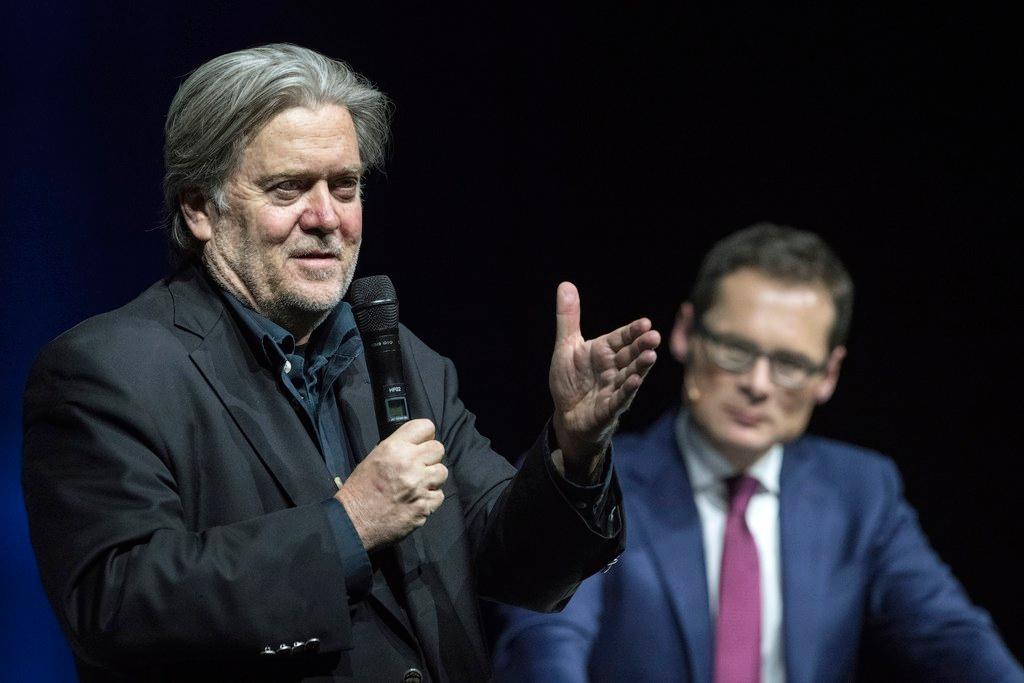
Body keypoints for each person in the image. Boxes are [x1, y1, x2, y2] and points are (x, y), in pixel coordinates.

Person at [20, 44, 661, 682]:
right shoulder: (108, 372)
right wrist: (347, 526)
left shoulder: (402, 357)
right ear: (200, 209)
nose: (327, 218)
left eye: (344, 186)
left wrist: (576, 453)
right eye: (289, 188)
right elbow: (117, 605)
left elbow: (515, 566)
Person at [492, 224, 1023, 682]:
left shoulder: (862, 491)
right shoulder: (590, 481)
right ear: (686, 333)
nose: (758, 384)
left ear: (829, 374)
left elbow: (950, 636)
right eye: (736, 350)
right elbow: (544, 648)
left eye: (791, 363)